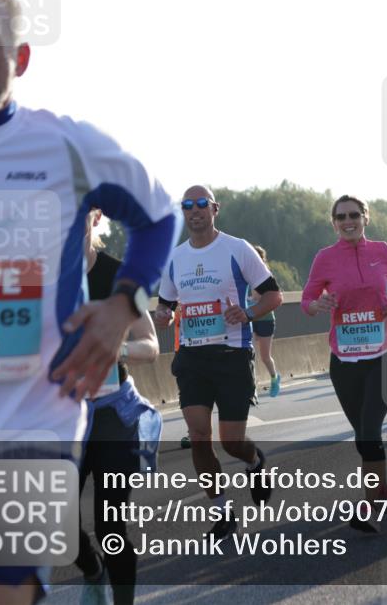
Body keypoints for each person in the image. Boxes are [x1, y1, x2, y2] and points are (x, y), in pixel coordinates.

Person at [0, 0, 178, 605]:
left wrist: (124, 305)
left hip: (32, 426)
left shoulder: (66, 146)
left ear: (20, 57)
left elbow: (157, 217)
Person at [155, 186, 282, 540]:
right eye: (187, 206)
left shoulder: (236, 248)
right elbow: (166, 304)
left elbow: (273, 294)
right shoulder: (176, 258)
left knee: (230, 442)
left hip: (231, 356)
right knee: (198, 437)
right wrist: (163, 314)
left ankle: (255, 462)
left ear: (214, 209)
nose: (194, 211)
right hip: (192, 357)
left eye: (201, 205)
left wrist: (249, 312)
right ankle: (222, 513)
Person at [301, 195, 387, 530]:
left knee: (368, 433)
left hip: (383, 356)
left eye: (354, 215)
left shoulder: (381, 251)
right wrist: (317, 305)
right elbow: (306, 299)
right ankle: (381, 497)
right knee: (363, 435)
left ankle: (373, 507)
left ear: (366, 218)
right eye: (340, 217)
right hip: (344, 361)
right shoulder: (325, 258)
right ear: (334, 223)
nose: (347, 221)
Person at [77, 210, 163, 605]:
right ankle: (92, 570)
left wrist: (118, 348)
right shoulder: (35, 277)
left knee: (110, 524)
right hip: (60, 415)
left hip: (112, 412)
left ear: (94, 218)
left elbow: (151, 343)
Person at [248, 245, 282, 397]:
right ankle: (251, 385)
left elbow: (263, 297)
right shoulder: (245, 274)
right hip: (250, 317)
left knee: (265, 356)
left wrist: (251, 299)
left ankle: (274, 378)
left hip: (266, 319)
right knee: (250, 353)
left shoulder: (265, 275)